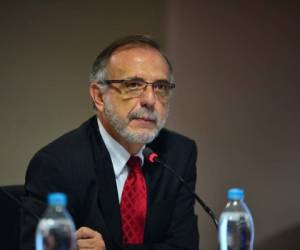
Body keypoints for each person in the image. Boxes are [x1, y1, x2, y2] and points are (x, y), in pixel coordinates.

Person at [20, 35, 199, 250]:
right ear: (99, 97)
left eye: (160, 86)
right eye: (133, 84)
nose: (150, 100)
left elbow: (184, 246)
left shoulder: (178, 154)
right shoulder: (56, 164)